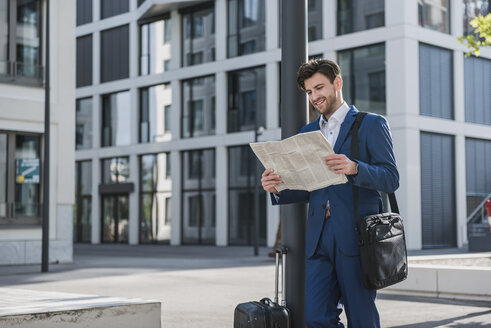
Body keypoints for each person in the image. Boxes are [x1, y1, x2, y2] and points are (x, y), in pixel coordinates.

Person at [261, 59, 399, 328]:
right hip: (318, 239)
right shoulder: (307, 133)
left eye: (319, 88)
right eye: (309, 92)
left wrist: (355, 167)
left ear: (338, 82)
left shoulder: (370, 124)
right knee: (315, 318)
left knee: (361, 319)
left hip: (355, 238)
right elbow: (308, 187)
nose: (314, 97)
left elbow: (391, 179)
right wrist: (277, 188)